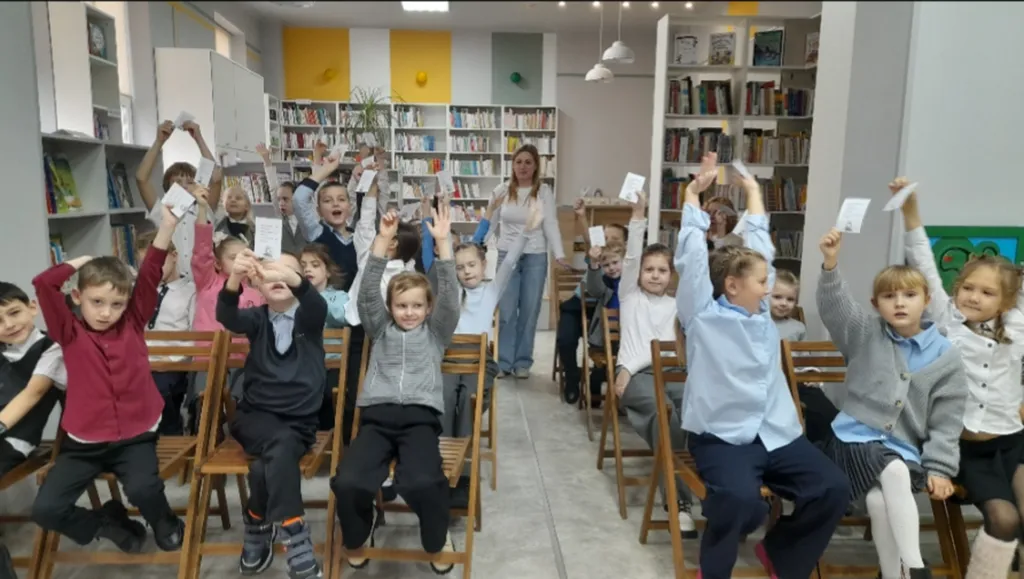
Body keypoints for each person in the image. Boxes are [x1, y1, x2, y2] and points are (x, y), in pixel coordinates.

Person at [675, 153, 849, 579]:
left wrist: (753, 191)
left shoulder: (763, 315)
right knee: (742, 503)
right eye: (760, 282)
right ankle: (713, 571)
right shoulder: (702, 315)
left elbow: (760, 247)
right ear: (732, 286)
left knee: (833, 488)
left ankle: (781, 554)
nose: (769, 288)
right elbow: (691, 260)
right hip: (723, 437)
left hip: (776, 432)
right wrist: (692, 195)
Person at [30, 203, 186, 555]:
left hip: (135, 435)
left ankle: (166, 522)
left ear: (127, 303)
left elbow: (150, 272)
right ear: (77, 297)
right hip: (84, 441)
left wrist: (167, 227)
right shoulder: (68, 331)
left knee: (144, 490)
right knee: (46, 509)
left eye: (116, 304)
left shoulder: (133, 321)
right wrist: (81, 262)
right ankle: (108, 522)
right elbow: (43, 284)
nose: (106, 312)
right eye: (97, 302)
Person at [817, 226, 967, 579]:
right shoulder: (865, 333)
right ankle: (915, 568)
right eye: (889, 296)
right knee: (895, 471)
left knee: (878, 500)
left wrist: (940, 468)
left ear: (926, 300)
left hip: (903, 447)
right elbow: (836, 309)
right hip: (851, 441)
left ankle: (892, 574)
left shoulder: (945, 356)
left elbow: (946, 420)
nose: (899, 302)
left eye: (909, 295)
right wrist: (830, 263)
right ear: (876, 304)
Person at [899, 177, 1024, 579]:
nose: (973, 297)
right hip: (965, 448)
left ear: (1006, 301)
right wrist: (910, 211)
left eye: (987, 293)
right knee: (1004, 518)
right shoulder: (947, 322)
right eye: (968, 288)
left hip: (1013, 442)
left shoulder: (1017, 326)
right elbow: (923, 262)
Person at [330, 205, 460, 574]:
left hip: (420, 421)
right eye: (401, 306)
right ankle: (360, 531)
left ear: (428, 308)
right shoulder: (380, 328)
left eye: (417, 306)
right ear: (390, 307)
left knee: (422, 481)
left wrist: (443, 245)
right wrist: (382, 240)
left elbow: (450, 297)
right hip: (376, 420)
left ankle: (436, 536)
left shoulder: (436, 333)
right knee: (348, 481)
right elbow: (366, 294)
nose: (409, 312)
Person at [216, 249, 328, 579]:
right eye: (270, 274)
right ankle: (295, 531)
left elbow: (316, 305)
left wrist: (291, 278)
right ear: (257, 284)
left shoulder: (309, 319)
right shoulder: (255, 319)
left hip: (299, 422)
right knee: (279, 444)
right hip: (254, 418)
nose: (277, 278)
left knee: (263, 467)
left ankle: (256, 519)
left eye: (286, 273)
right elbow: (226, 315)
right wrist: (235, 277)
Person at [611, 191, 698, 538]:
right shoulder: (629, 296)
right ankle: (679, 503)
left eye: (662, 270)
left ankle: (713, 489)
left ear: (671, 275)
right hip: (638, 379)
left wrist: (629, 365)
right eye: (649, 270)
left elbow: (672, 350)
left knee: (697, 413)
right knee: (667, 418)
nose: (655, 275)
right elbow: (632, 255)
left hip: (672, 371)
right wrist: (638, 215)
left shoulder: (678, 305)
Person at [489, 144, 568, 379]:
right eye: (518, 162)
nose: (523, 167)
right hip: (507, 255)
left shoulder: (543, 192)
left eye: (528, 162)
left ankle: (522, 361)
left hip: (535, 255)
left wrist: (559, 253)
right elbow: (491, 221)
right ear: (512, 165)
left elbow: (550, 223)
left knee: (530, 310)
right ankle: (504, 362)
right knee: (506, 311)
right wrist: (478, 245)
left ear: (535, 167)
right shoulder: (501, 190)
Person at [557, 197, 628, 405]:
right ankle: (572, 378)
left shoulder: (621, 264)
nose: (607, 242)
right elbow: (591, 241)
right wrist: (582, 217)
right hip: (579, 303)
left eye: (614, 239)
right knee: (566, 338)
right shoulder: (597, 257)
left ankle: (597, 379)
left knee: (609, 345)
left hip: (602, 309)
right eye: (605, 238)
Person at [136, 119, 223, 281]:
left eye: (189, 182)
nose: (184, 186)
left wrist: (198, 138)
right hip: (171, 282)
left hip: (202, 282)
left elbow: (216, 178)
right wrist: (159, 142)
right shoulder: (161, 210)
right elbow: (141, 179)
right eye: (177, 182)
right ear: (167, 186)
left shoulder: (204, 208)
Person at [0, 282, 66, 476]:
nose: (9, 325)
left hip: (14, 439)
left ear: (32, 308)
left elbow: (33, 393)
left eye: (14, 313)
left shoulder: (52, 349)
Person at [135, 230, 196, 436]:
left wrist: (171, 359)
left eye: (159, 262)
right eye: (145, 265)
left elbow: (194, 336)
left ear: (175, 256)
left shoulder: (191, 291)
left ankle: (170, 434)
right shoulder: (138, 290)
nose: (153, 269)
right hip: (142, 362)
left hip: (174, 365)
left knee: (159, 388)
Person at [297, 243, 350, 431]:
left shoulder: (340, 297)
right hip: (302, 365)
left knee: (326, 392)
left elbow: (344, 316)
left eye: (314, 265)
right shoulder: (293, 299)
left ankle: (329, 437)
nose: (307, 269)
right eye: (303, 265)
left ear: (328, 271)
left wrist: (313, 298)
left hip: (332, 365)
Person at [256, 142, 303, 255]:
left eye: (285, 199)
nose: (281, 203)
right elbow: (273, 188)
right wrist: (266, 159)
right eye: (279, 199)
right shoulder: (280, 217)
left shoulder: (306, 218)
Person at [770, 270, 805, 341]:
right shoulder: (753, 324)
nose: (784, 303)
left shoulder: (799, 328)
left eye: (790, 299)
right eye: (777, 297)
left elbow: (804, 348)